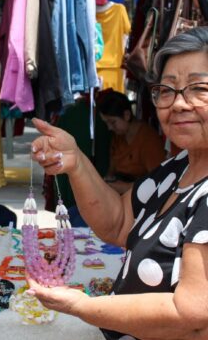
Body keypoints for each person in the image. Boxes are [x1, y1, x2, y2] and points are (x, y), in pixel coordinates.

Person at [28, 26, 208, 340]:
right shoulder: (179, 167)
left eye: (198, 88)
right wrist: (77, 162)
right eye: (167, 90)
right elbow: (118, 222)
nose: (179, 103)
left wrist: (82, 306)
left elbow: (189, 313)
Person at [98, 90, 166, 194]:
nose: (109, 127)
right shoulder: (118, 137)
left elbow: (158, 182)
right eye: (106, 123)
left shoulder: (148, 140)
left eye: (112, 122)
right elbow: (112, 170)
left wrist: (126, 187)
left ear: (126, 115)